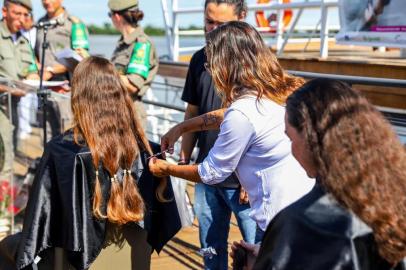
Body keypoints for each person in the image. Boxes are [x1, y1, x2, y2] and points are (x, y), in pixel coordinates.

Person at [0, 56, 181, 270]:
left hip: (77, 259)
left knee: (5, 248)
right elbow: (162, 219)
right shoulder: (149, 150)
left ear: (78, 97)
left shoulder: (62, 152)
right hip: (135, 258)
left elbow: (42, 224)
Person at [149, 21, 315, 240]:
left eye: (210, 65)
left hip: (278, 222)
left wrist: (166, 169)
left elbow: (210, 173)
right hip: (305, 208)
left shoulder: (243, 112)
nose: (210, 72)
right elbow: (231, 115)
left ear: (225, 65)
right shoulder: (280, 90)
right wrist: (182, 127)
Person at [231, 79, 406, 270]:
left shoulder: (301, 222)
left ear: (312, 140)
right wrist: (274, 252)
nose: (292, 150)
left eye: (290, 138)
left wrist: (268, 259)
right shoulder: (393, 193)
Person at [176, 1, 257, 269]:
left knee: (258, 255)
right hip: (207, 174)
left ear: (242, 18)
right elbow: (192, 111)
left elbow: (263, 122)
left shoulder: (257, 62)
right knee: (211, 251)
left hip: (245, 182)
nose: (213, 30)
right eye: (209, 22)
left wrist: (251, 177)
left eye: (222, 24)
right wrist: (184, 160)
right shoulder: (199, 59)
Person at [0, 0, 38, 173]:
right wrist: (9, 90)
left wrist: (35, 78)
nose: (22, 19)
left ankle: (5, 199)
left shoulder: (24, 42)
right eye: (17, 13)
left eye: (25, 15)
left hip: (13, 108)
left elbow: (31, 69)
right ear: (4, 12)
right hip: (2, 105)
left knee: (9, 157)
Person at [108, 0, 158, 127]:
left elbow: (132, 85)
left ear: (117, 17)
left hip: (129, 115)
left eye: (110, 15)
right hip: (114, 112)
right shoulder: (123, 44)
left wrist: (101, 71)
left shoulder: (141, 44)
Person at [36, 0, 89, 81]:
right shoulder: (40, 22)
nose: (47, 2)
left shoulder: (74, 23)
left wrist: (51, 71)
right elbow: (34, 51)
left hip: (66, 82)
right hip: (41, 79)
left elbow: (82, 58)